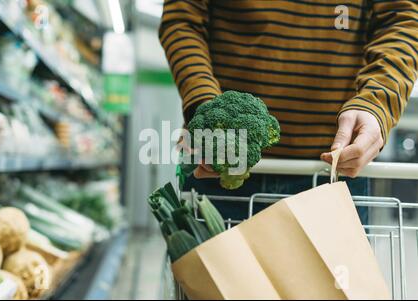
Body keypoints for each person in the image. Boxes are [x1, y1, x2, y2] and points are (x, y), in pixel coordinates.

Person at [159, 0, 418, 223]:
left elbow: (401, 22)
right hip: (218, 172)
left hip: (333, 176)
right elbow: (183, 19)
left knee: (333, 284)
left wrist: (375, 103)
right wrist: (207, 106)